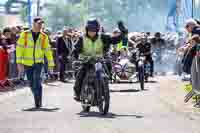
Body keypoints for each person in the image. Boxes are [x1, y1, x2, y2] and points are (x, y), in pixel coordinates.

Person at [73, 19, 128, 101]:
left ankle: (103, 91)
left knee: (107, 72)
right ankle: (77, 94)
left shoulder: (102, 37)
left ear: (97, 29)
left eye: (94, 30)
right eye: (90, 30)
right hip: (86, 61)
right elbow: (75, 50)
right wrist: (77, 57)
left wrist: (123, 32)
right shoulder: (82, 38)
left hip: (99, 60)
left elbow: (115, 40)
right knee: (79, 76)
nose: (92, 32)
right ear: (87, 29)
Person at [16, 17, 55, 108]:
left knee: (37, 81)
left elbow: (47, 51)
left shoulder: (44, 36)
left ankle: (38, 102)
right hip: (27, 63)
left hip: (38, 62)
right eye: (38, 23)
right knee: (31, 82)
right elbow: (19, 48)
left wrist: (51, 64)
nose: (40, 25)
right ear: (33, 24)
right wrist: (19, 63)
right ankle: (37, 97)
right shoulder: (25, 34)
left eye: (41, 24)